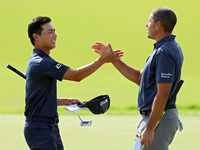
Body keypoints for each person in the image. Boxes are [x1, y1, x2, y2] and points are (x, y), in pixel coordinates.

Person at [24, 16, 123, 150]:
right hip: (40, 129)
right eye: (50, 32)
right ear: (36, 37)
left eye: (54, 31)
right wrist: (101, 60)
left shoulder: (42, 60)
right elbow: (76, 76)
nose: (55, 35)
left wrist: (66, 101)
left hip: (48, 127)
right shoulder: (42, 62)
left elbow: (40, 99)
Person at [91, 7, 183, 150]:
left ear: (158, 25)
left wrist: (149, 128)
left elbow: (163, 94)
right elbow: (140, 79)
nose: (147, 25)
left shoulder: (164, 52)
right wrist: (114, 59)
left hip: (159, 119)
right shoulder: (163, 48)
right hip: (157, 118)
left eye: (149, 21)